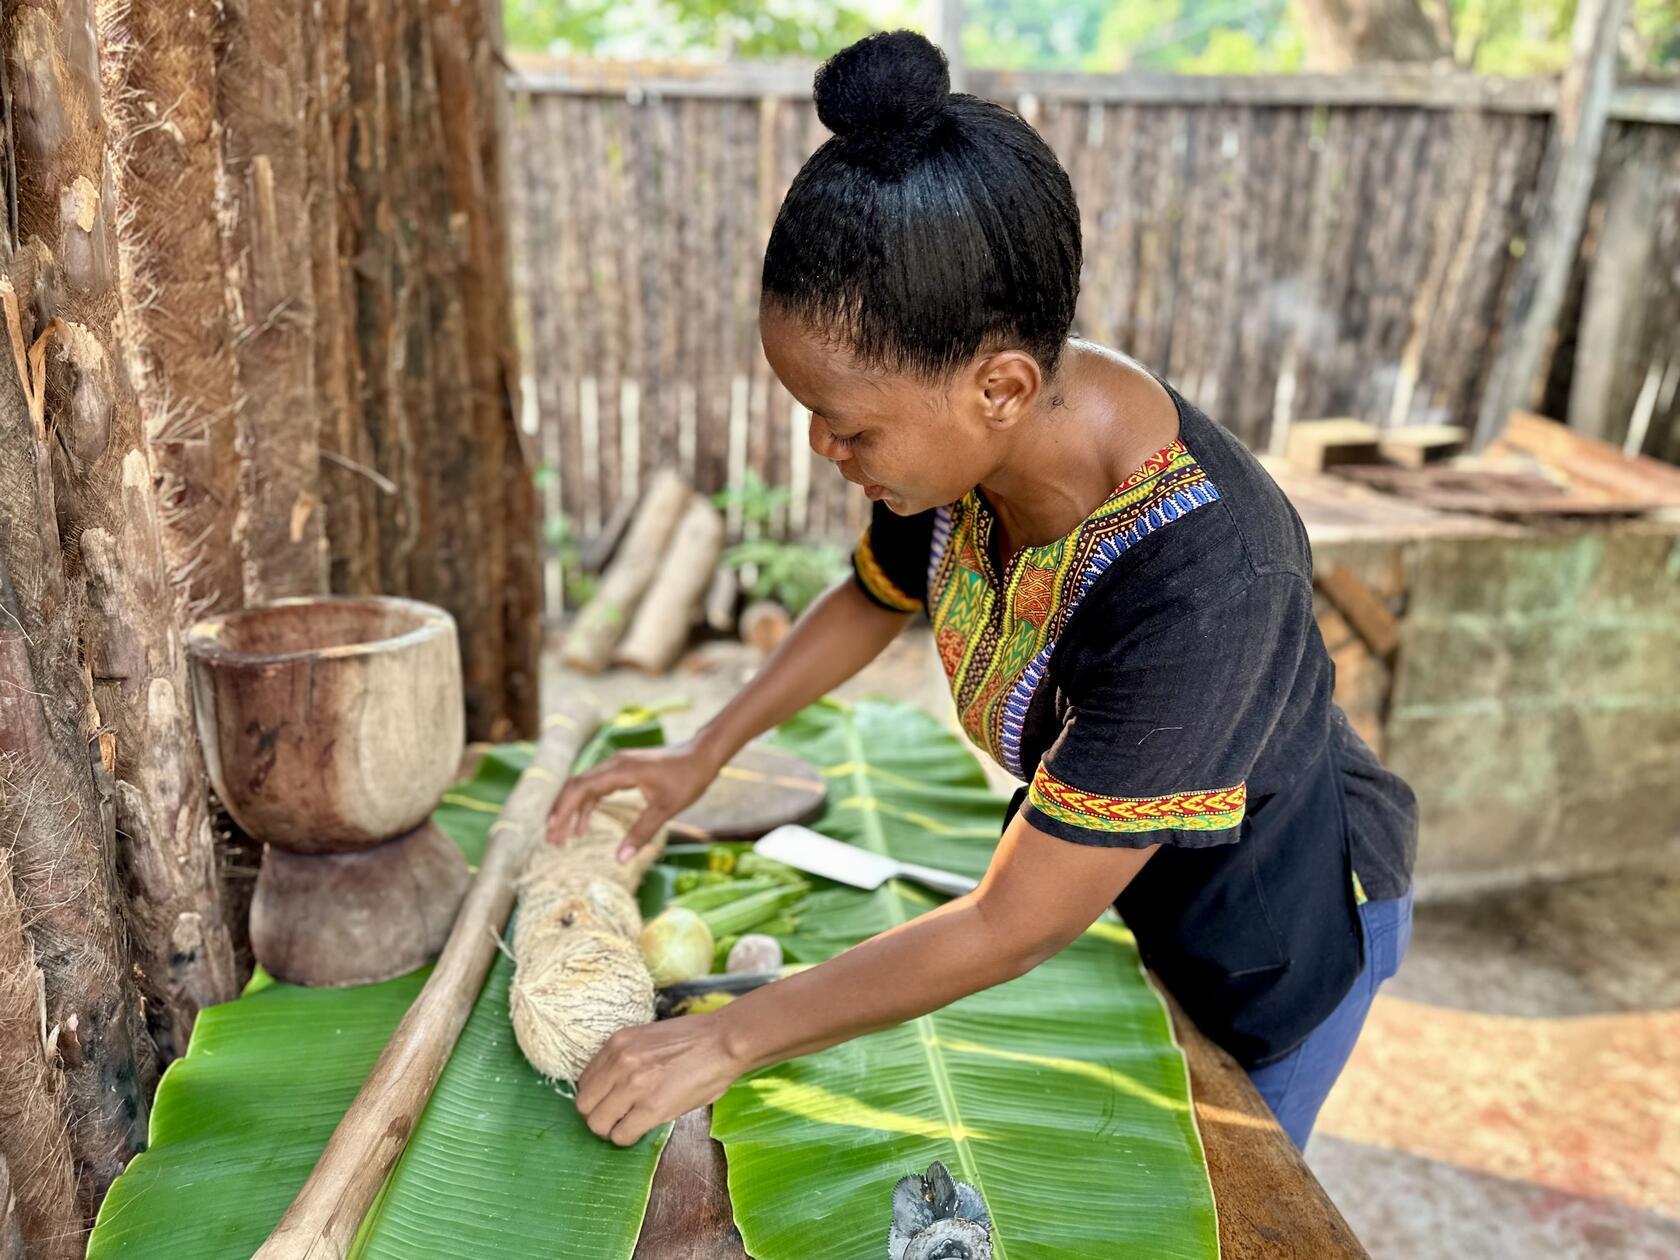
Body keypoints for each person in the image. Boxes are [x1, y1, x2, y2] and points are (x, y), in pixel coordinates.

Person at [545, 28, 1417, 1153]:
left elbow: (1011, 921)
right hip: (1113, 884)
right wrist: (702, 752)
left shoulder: (1207, 583)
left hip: (1270, 932)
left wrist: (728, 1037)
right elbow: (871, 596)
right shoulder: (975, 438)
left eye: (849, 424)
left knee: (1218, 1179)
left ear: (1000, 386)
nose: (823, 446)